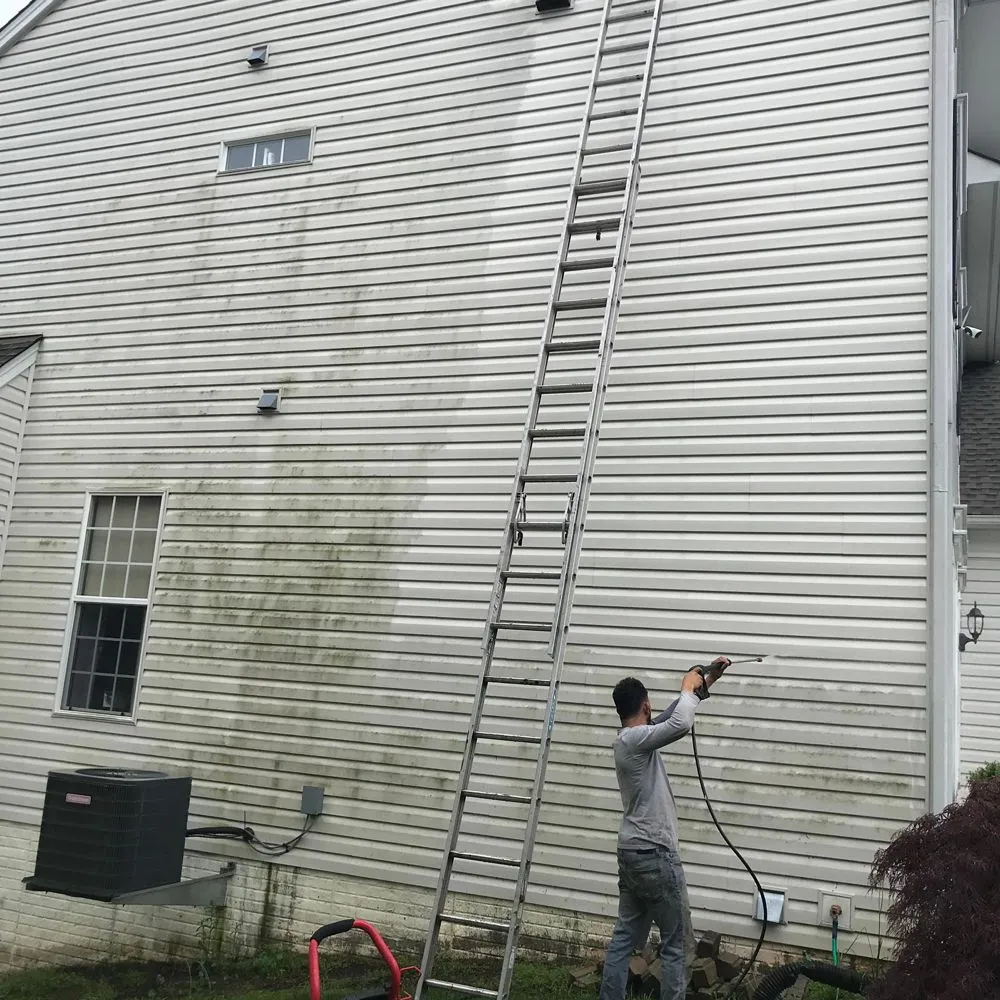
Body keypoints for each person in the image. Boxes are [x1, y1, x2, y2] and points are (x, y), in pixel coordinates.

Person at [599, 657, 731, 1000]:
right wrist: (687, 686)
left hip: (632, 855)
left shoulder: (629, 739)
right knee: (677, 945)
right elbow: (680, 723)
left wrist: (707, 680)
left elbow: (673, 715)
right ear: (645, 704)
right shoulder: (635, 741)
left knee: (624, 940)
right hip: (655, 855)